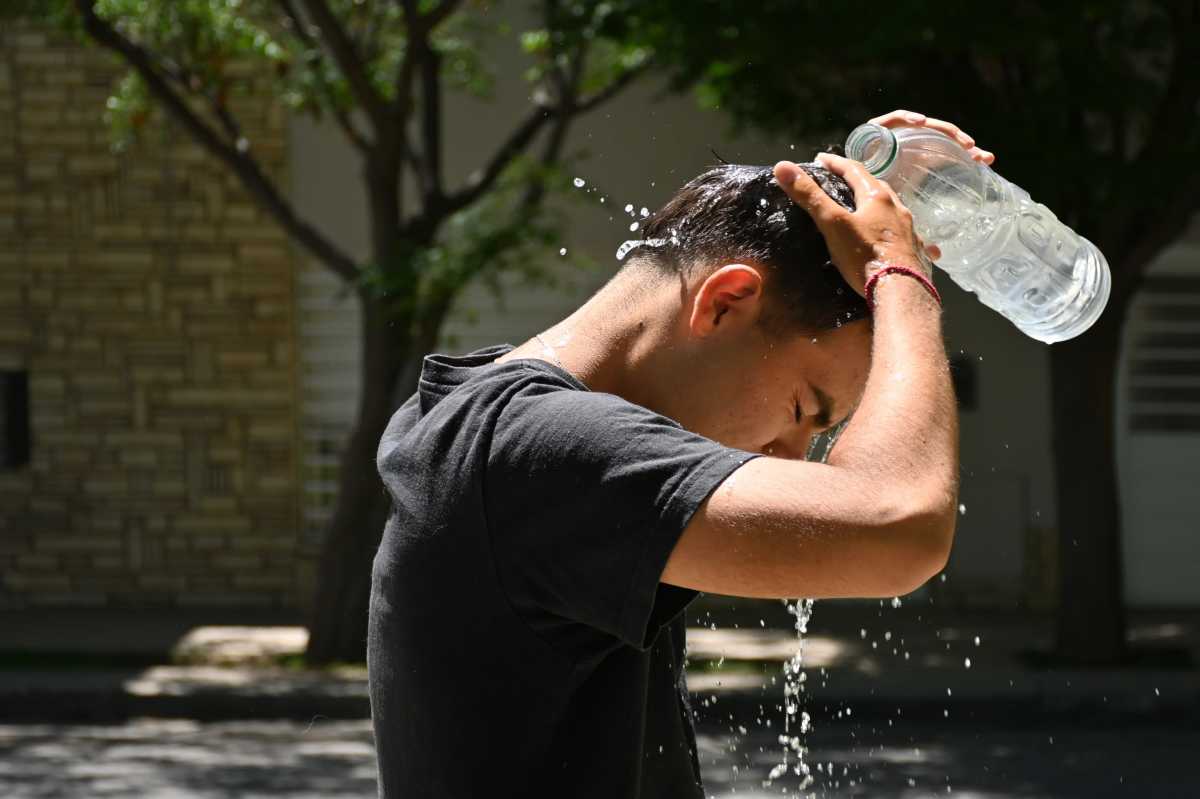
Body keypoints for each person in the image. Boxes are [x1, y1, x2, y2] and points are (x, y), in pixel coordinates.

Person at [367, 110, 992, 798]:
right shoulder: (527, 450)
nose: (792, 458)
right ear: (725, 301)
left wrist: (860, 183)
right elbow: (901, 524)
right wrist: (897, 276)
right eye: (804, 411)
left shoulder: (479, 420)